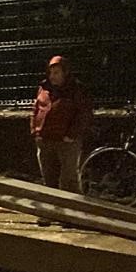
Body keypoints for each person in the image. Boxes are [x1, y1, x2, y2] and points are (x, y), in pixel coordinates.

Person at [30, 55, 94, 192]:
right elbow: (36, 109)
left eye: (56, 73)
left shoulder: (76, 89)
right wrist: (35, 130)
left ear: (65, 73)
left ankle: (72, 209)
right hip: (45, 139)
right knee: (48, 177)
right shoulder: (44, 88)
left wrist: (71, 134)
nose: (52, 76)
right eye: (51, 73)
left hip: (66, 142)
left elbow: (84, 114)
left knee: (69, 179)